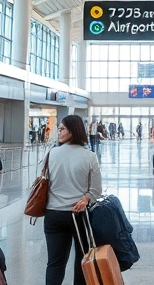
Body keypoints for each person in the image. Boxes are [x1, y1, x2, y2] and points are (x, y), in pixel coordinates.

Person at [44, 115, 102, 285]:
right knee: (82, 260)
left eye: (62, 129)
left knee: (55, 263)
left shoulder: (52, 154)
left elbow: (44, 182)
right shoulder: (90, 156)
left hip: (53, 215)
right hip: (79, 216)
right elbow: (96, 190)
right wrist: (86, 198)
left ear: (73, 130)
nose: (59, 132)